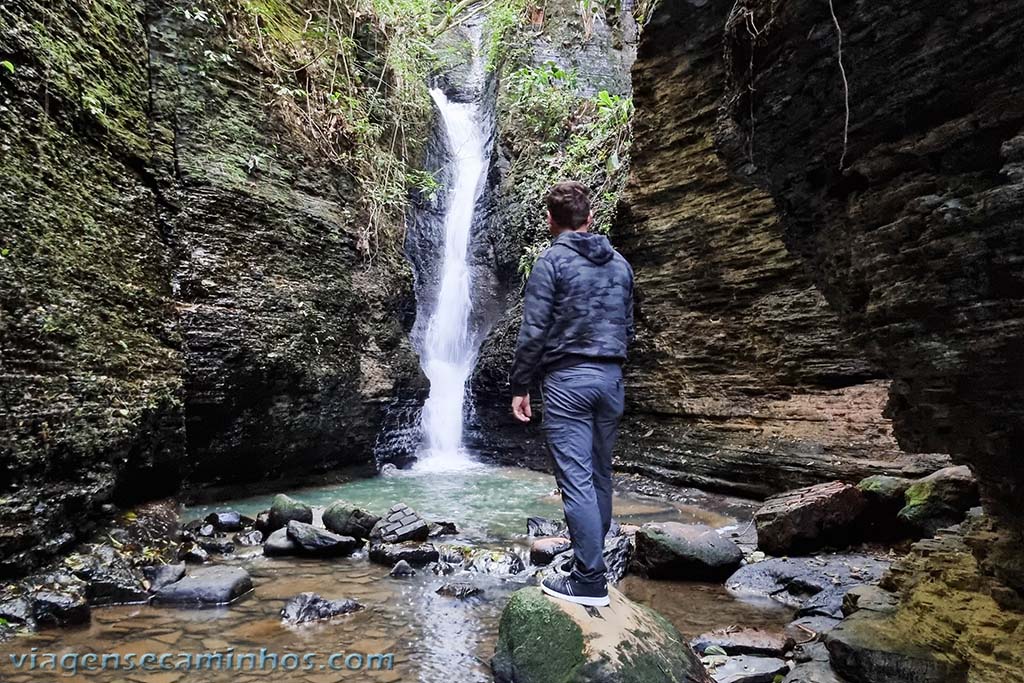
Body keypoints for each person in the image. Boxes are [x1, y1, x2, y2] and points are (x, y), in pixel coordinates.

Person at [509, 180, 634, 607]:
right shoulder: (620, 264)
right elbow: (628, 327)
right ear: (590, 218)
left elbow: (533, 332)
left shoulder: (552, 263)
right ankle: (592, 557)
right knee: (600, 472)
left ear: (550, 221)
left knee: (576, 480)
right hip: (611, 379)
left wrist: (520, 385)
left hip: (569, 383)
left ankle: (589, 580)